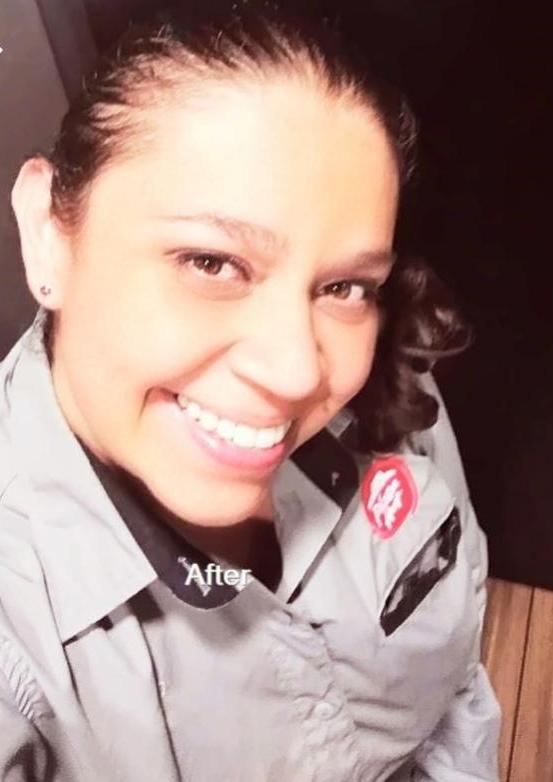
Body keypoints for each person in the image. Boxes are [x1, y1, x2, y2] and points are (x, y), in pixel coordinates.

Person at [0, 2, 500, 780]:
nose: (299, 373)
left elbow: (456, 687)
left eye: (343, 285)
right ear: (47, 232)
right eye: (211, 263)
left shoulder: (389, 369)